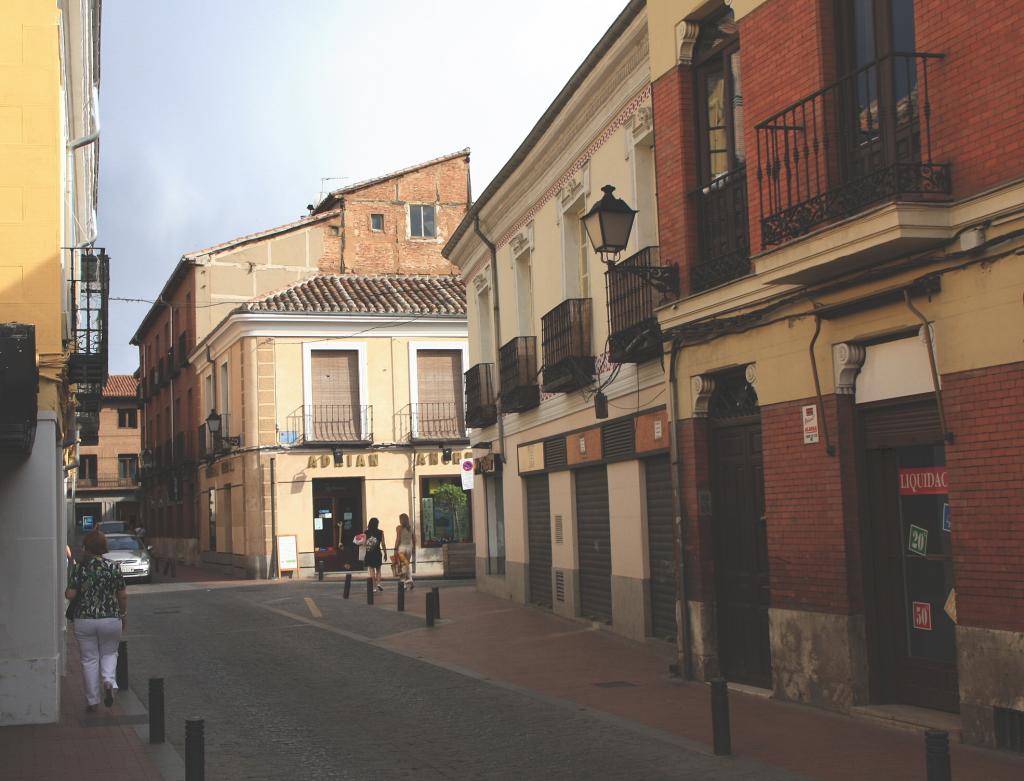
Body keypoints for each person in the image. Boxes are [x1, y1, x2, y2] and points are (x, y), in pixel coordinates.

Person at [65, 530, 127, 712]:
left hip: (84, 619)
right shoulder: (114, 567)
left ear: (87, 547)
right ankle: (108, 680)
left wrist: (68, 592)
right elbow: (122, 596)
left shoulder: (80, 568)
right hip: (110, 618)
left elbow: (70, 594)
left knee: (89, 659)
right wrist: (123, 615)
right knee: (109, 653)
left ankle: (92, 701)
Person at [364, 517, 387, 592]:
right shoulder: (380, 532)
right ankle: (378, 583)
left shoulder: (366, 532)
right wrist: (385, 553)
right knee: (378, 569)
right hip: (377, 552)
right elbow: (383, 544)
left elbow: (364, 544)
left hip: (369, 552)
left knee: (371, 570)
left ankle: (374, 587)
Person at [394, 513, 415, 590]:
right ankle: (407, 581)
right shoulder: (410, 528)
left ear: (401, 520)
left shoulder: (399, 528)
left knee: (403, 564)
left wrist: (395, 549)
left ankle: (407, 580)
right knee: (406, 564)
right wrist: (414, 548)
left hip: (402, 548)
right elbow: (414, 539)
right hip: (409, 548)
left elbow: (398, 539)